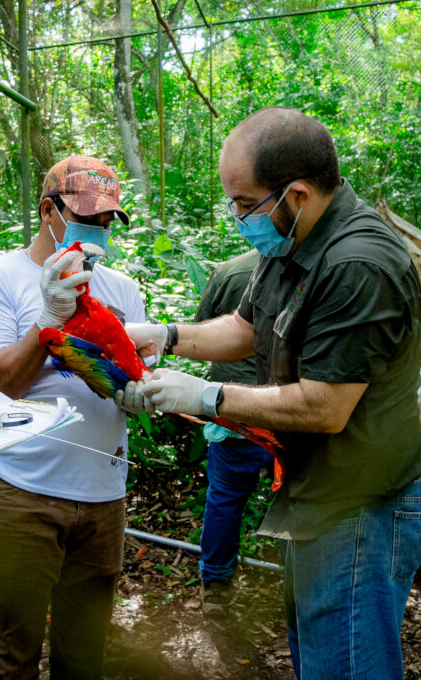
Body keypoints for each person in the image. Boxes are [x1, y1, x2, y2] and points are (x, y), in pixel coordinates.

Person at [126, 107, 421, 679]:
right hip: (320, 496)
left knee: (345, 666)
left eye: (245, 204)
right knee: (320, 655)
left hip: (366, 507)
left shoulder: (357, 264)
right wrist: (164, 337)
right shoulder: (291, 246)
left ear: (296, 194)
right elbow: (244, 330)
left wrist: (202, 397)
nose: (237, 217)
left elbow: (325, 406)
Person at [0, 155, 149, 679]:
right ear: (49, 211)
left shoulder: (123, 291)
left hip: (103, 499)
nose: (101, 230)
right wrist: (48, 323)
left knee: (84, 659)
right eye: (90, 219)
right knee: (11, 657)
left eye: (109, 220)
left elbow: (137, 375)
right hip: (22, 494)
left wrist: (143, 390)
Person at [192, 248, 272, 619]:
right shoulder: (315, 267)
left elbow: (203, 331)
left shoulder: (228, 270)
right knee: (297, 499)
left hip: (232, 408)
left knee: (224, 498)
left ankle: (217, 585)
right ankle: (301, 584)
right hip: (287, 407)